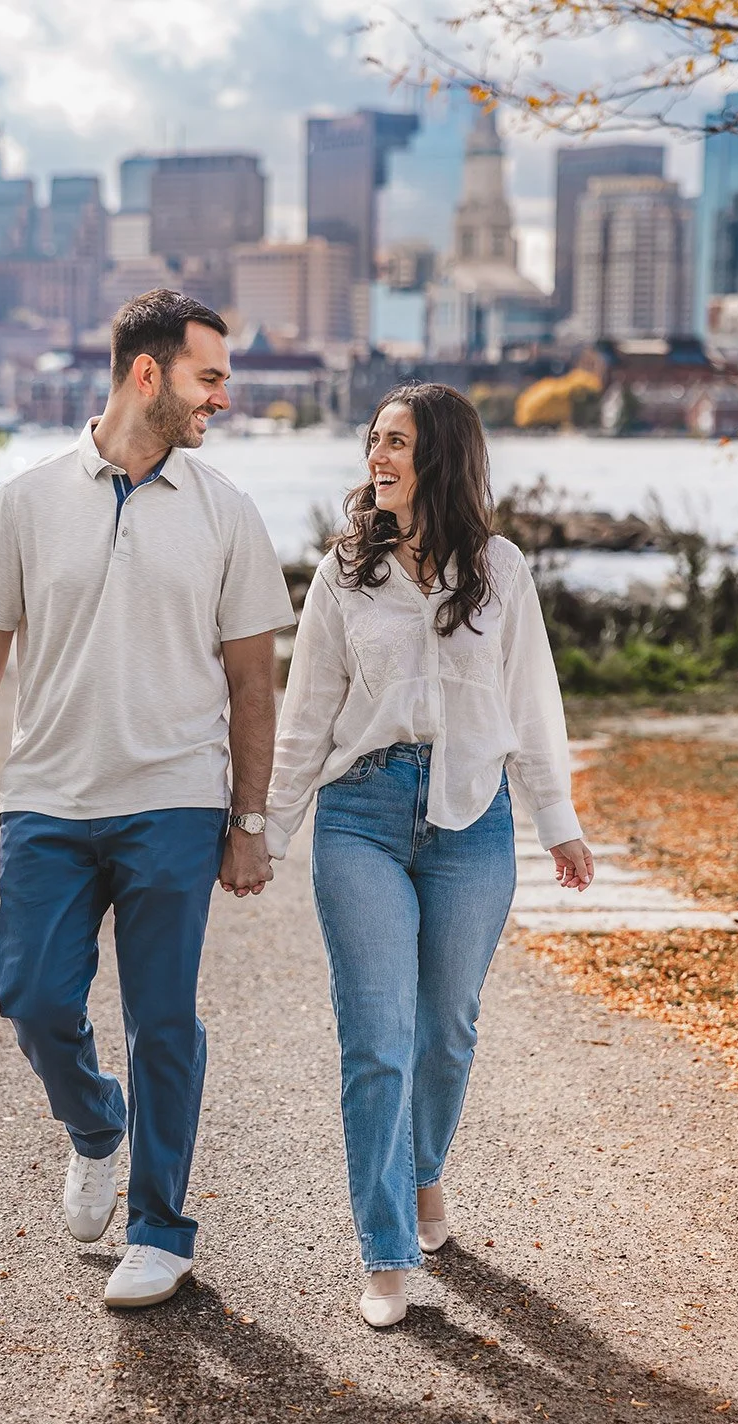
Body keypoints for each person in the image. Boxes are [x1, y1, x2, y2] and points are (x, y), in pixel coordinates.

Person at [0, 288, 297, 1308]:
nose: (221, 397)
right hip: (46, 797)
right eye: (207, 376)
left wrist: (248, 821)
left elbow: (250, 680)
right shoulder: (26, 500)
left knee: (161, 1019)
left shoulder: (226, 512)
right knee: (31, 997)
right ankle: (96, 1125)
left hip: (174, 799)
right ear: (148, 374)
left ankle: (160, 1228)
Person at [265, 383, 595, 1329]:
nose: (378, 455)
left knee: (446, 1029)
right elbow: (306, 716)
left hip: (471, 820)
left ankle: (422, 1175)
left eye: (398, 442)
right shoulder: (343, 574)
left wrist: (557, 820)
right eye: (373, 439)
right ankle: (385, 1250)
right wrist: (268, 831)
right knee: (377, 1039)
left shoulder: (500, 569)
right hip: (362, 815)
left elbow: (532, 702)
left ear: (440, 455)